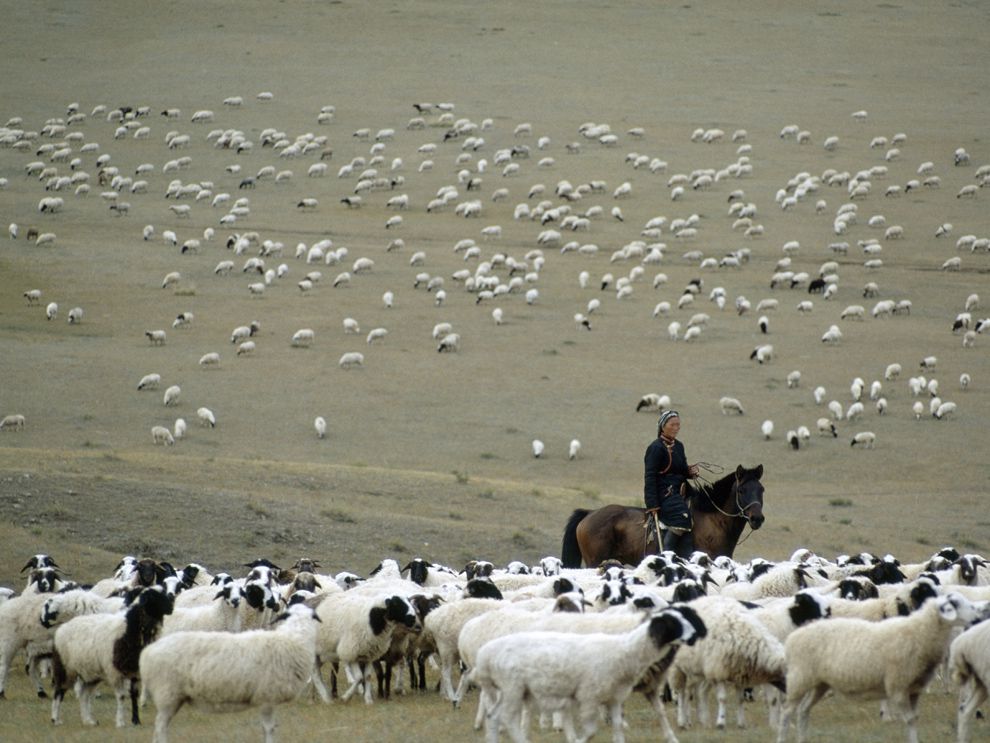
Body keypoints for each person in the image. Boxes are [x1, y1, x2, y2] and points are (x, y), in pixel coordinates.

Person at [644, 409, 699, 559]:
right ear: (663, 426)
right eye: (672, 424)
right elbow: (649, 477)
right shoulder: (655, 448)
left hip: (680, 490)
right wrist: (652, 504)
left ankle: (687, 558)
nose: (676, 428)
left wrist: (690, 473)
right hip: (664, 492)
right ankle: (665, 556)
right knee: (682, 516)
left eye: (678, 425)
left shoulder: (679, 446)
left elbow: (681, 470)